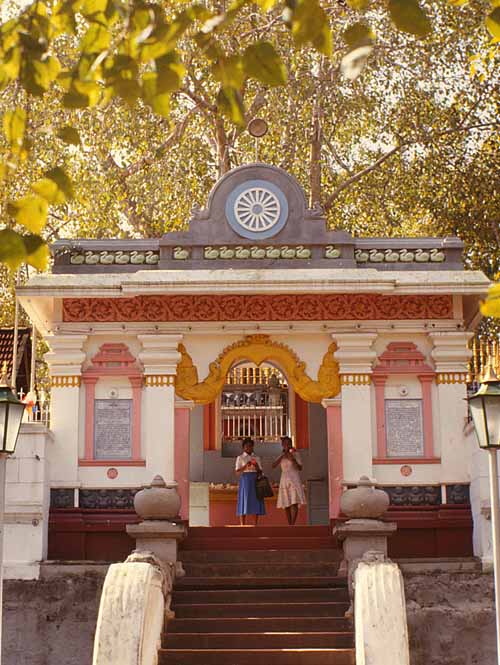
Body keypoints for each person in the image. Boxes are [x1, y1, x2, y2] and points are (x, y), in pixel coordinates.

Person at [273, 435, 306, 525]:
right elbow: (273, 465)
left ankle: (293, 524)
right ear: (283, 445)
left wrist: (293, 459)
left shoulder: (296, 454)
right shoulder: (281, 455)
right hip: (284, 479)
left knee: (294, 501)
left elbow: (299, 468)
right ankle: (289, 523)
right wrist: (282, 456)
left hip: (294, 478)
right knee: (286, 502)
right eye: (285, 444)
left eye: (289, 443)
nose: (287, 445)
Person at [235, 437, 265, 525]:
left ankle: (255, 524)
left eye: (251, 446)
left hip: (255, 480)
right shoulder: (240, 458)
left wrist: (256, 467)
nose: (249, 448)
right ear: (243, 447)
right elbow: (237, 472)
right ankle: (242, 524)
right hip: (245, 480)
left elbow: (260, 471)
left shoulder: (256, 457)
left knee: (255, 500)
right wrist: (245, 466)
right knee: (244, 500)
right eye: (247, 446)